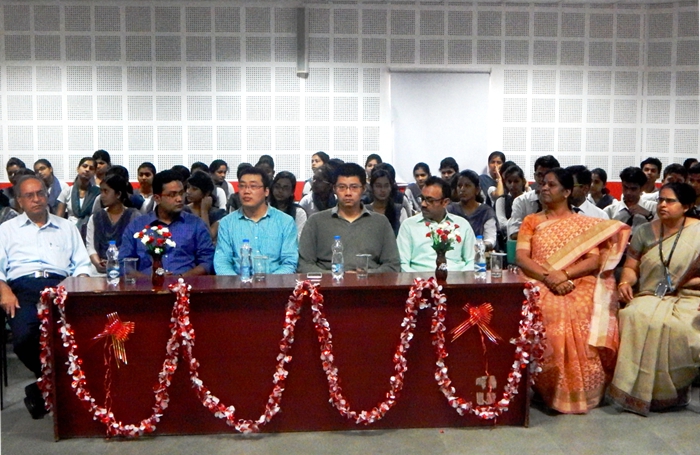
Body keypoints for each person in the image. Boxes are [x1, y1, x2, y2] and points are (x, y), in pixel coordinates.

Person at [515, 168, 630, 413]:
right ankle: (549, 389)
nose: (544, 188)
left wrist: (565, 275)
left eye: (551, 185)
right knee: (550, 308)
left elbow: (593, 261)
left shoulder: (583, 225)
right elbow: (522, 258)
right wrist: (549, 278)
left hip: (577, 279)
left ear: (567, 192)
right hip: (539, 278)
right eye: (543, 184)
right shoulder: (531, 221)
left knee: (583, 307)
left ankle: (584, 390)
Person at [0, 175, 91, 418]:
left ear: (47, 195)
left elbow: (82, 264)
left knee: (79, 336)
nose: (36, 199)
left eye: (40, 193)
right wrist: (3, 290)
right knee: (24, 338)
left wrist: (79, 285)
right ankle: (55, 385)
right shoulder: (6, 230)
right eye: (29, 195)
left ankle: (44, 391)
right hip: (22, 288)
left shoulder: (66, 227)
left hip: (61, 286)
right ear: (19, 200)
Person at [609, 182, 700, 415]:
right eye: (660, 200)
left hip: (690, 296)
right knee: (632, 315)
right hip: (651, 293)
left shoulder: (698, 232)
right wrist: (625, 283)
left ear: (686, 206)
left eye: (670, 201)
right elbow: (631, 267)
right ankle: (635, 392)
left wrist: (683, 283)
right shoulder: (644, 231)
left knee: (679, 328)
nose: (662, 205)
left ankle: (672, 391)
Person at [298, 163, 400, 273]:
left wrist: (366, 274)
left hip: (369, 282)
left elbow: (393, 265)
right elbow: (304, 265)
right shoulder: (316, 222)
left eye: (354, 187)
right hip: (327, 282)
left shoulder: (380, 222)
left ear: (364, 189)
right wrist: (336, 275)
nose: (348, 193)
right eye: (342, 187)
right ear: (334, 189)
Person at [121, 170, 215, 276]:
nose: (179, 199)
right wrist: (149, 280)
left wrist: (180, 278)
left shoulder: (196, 224)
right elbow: (124, 262)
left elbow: (207, 261)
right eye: (172, 195)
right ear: (157, 198)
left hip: (186, 283)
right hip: (147, 283)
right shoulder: (137, 226)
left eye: (181, 193)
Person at [215, 167, 298, 275]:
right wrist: (240, 283)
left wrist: (269, 283)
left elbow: (289, 263)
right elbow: (222, 263)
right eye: (242, 186)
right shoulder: (227, 223)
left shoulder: (285, 222)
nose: (246, 191)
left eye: (253, 186)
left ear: (266, 191)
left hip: (276, 283)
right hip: (238, 283)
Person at [397, 176, 475, 272]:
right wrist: (420, 280)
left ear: (445, 202)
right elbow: (403, 264)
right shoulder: (408, 226)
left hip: (456, 277)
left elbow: (473, 260)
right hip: (420, 278)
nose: (423, 204)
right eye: (422, 198)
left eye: (430, 200)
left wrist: (461, 278)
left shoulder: (462, 225)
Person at [85, 174, 140, 276]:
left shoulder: (134, 216)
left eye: (106, 191)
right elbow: (90, 246)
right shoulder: (95, 217)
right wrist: (97, 263)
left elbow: (136, 247)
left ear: (118, 194)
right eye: (101, 191)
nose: (102, 195)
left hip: (126, 269)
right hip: (99, 270)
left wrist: (115, 263)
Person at [507, 155, 560, 240]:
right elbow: (514, 233)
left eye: (547, 175)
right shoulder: (521, 201)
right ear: (534, 176)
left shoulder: (562, 202)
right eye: (539, 175)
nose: (542, 179)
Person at [447, 170, 498, 250]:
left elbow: (490, 239)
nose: (462, 189)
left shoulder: (486, 211)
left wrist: (481, 246)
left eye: (467, 186)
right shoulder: (450, 210)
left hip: (479, 253)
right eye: (459, 186)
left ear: (477, 190)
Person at [604, 167, 657, 236]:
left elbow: (661, 230)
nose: (628, 192)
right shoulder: (610, 211)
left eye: (633, 189)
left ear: (642, 188)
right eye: (625, 187)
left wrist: (649, 215)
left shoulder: (653, 207)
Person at [56, 157, 100, 239]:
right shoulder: (67, 191)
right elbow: (59, 218)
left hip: (91, 232)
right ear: (78, 169)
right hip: (69, 232)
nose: (87, 170)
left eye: (91, 168)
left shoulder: (98, 193)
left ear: (94, 172)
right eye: (84, 166)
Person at [366, 168, 409, 236]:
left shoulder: (399, 211)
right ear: (372, 187)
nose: (383, 190)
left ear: (391, 187)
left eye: (386, 186)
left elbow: (405, 235)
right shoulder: (364, 210)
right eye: (378, 186)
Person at [186, 170, 226, 239]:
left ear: (207, 193)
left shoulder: (217, 214)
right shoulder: (184, 210)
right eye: (188, 187)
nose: (188, 191)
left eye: (194, 189)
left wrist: (204, 211)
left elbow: (208, 237)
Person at [495, 164, 526, 248]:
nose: (512, 185)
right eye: (509, 182)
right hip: (507, 242)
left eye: (516, 181)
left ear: (523, 181)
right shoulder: (501, 200)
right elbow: (502, 224)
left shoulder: (529, 199)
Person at [270, 171, 307, 240]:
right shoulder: (265, 209)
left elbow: (298, 238)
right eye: (277, 187)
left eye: (285, 188)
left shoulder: (299, 212)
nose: (280, 191)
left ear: (292, 192)